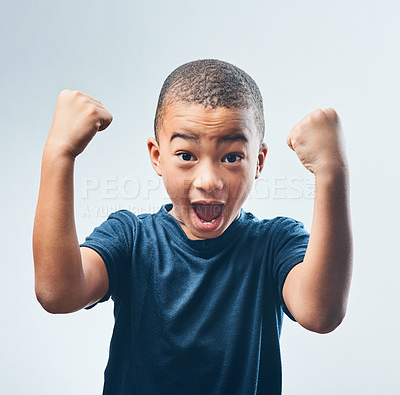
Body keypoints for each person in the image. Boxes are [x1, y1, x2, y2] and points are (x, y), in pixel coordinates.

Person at [32, 59, 353, 394]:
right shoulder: (130, 238)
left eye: (231, 157)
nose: (209, 181)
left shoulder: (275, 244)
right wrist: (58, 154)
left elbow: (322, 313)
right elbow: (58, 293)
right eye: (186, 155)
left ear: (258, 161)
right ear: (157, 156)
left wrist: (332, 172)